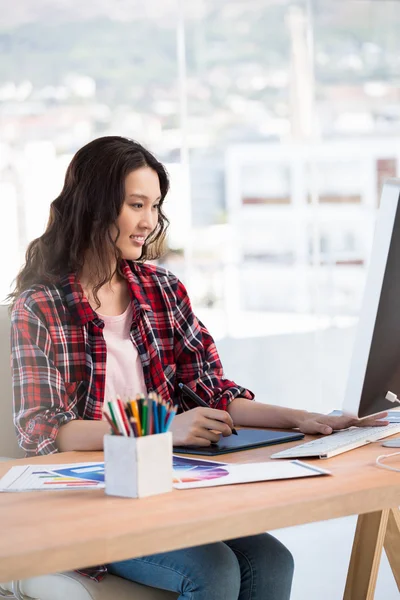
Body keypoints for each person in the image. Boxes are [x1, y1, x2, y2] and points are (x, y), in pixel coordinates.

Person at [10, 136, 387, 600]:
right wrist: (163, 427)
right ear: (94, 206)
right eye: (136, 205)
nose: (149, 222)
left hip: (165, 492)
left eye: (155, 206)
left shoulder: (162, 289)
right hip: (88, 503)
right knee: (212, 572)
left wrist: (302, 420)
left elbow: (210, 391)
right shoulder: (39, 307)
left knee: (272, 560)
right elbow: (44, 431)